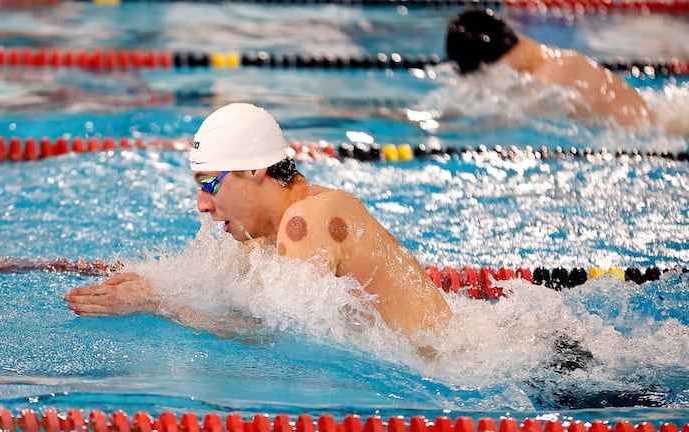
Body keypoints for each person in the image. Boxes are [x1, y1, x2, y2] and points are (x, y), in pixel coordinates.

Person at [63, 102, 453, 353]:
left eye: (209, 183)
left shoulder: (307, 220)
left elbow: (278, 339)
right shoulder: (261, 233)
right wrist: (149, 284)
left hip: (451, 373)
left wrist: (157, 306)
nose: (202, 204)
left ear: (254, 170)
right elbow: (225, 297)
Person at [445, 8, 656, 129]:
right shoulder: (553, 58)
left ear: (487, 66)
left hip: (642, 137)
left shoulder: (546, 80)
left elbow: (505, 121)